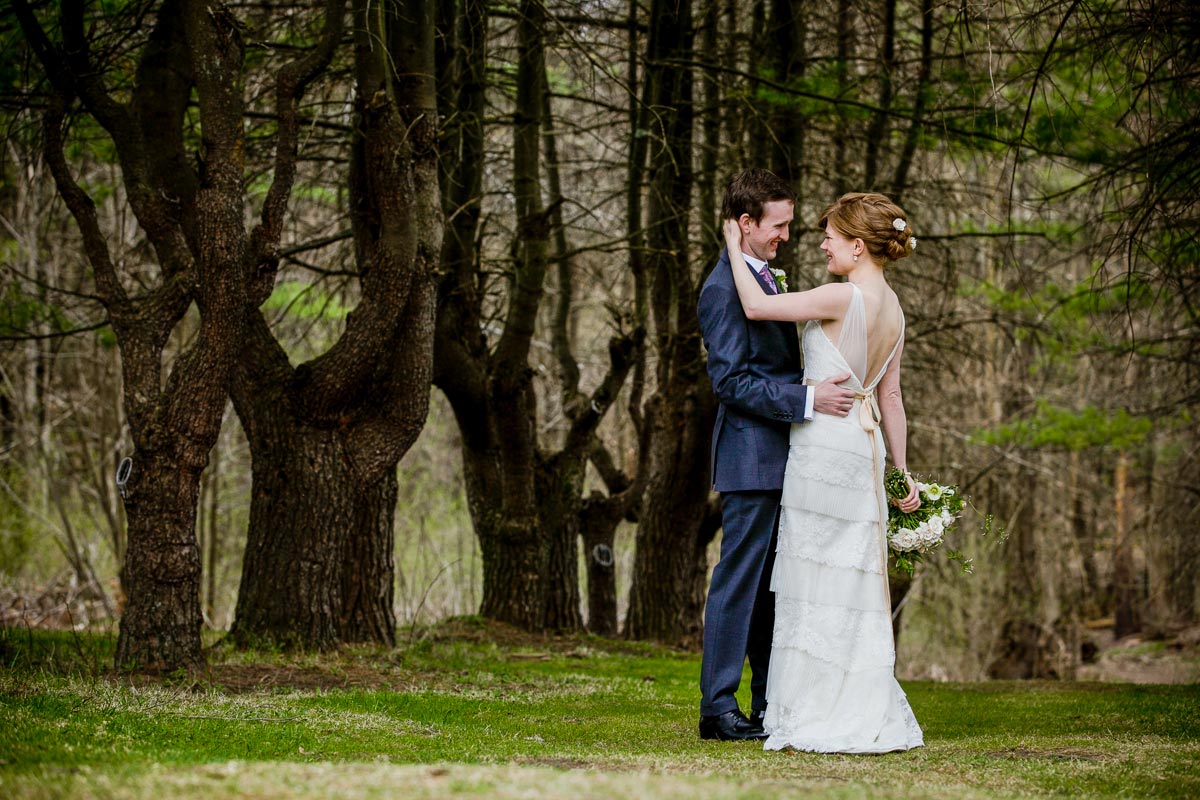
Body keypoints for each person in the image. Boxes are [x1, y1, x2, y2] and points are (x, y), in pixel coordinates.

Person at [723, 191, 924, 754]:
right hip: (863, 453)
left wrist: (733, 248)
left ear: (858, 247)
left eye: (831, 237)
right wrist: (902, 472)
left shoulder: (842, 295)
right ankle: (855, 700)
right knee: (851, 578)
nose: (822, 244)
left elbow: (757, 309)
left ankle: (811, 706)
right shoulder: (897, 310)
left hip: (822, 448)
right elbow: (892, 399)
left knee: (813, 578)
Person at [696, 170, 856, 741]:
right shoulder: (721, 289)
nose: (786, 235)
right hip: (750, 456)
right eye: (778, 225)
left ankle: (768, 702)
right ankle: (717, 707)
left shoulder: (760, 277)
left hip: (785, 454)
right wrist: (809, 398)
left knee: (770, 586)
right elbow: (732, 383)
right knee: (738, 582)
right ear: (746, 224)